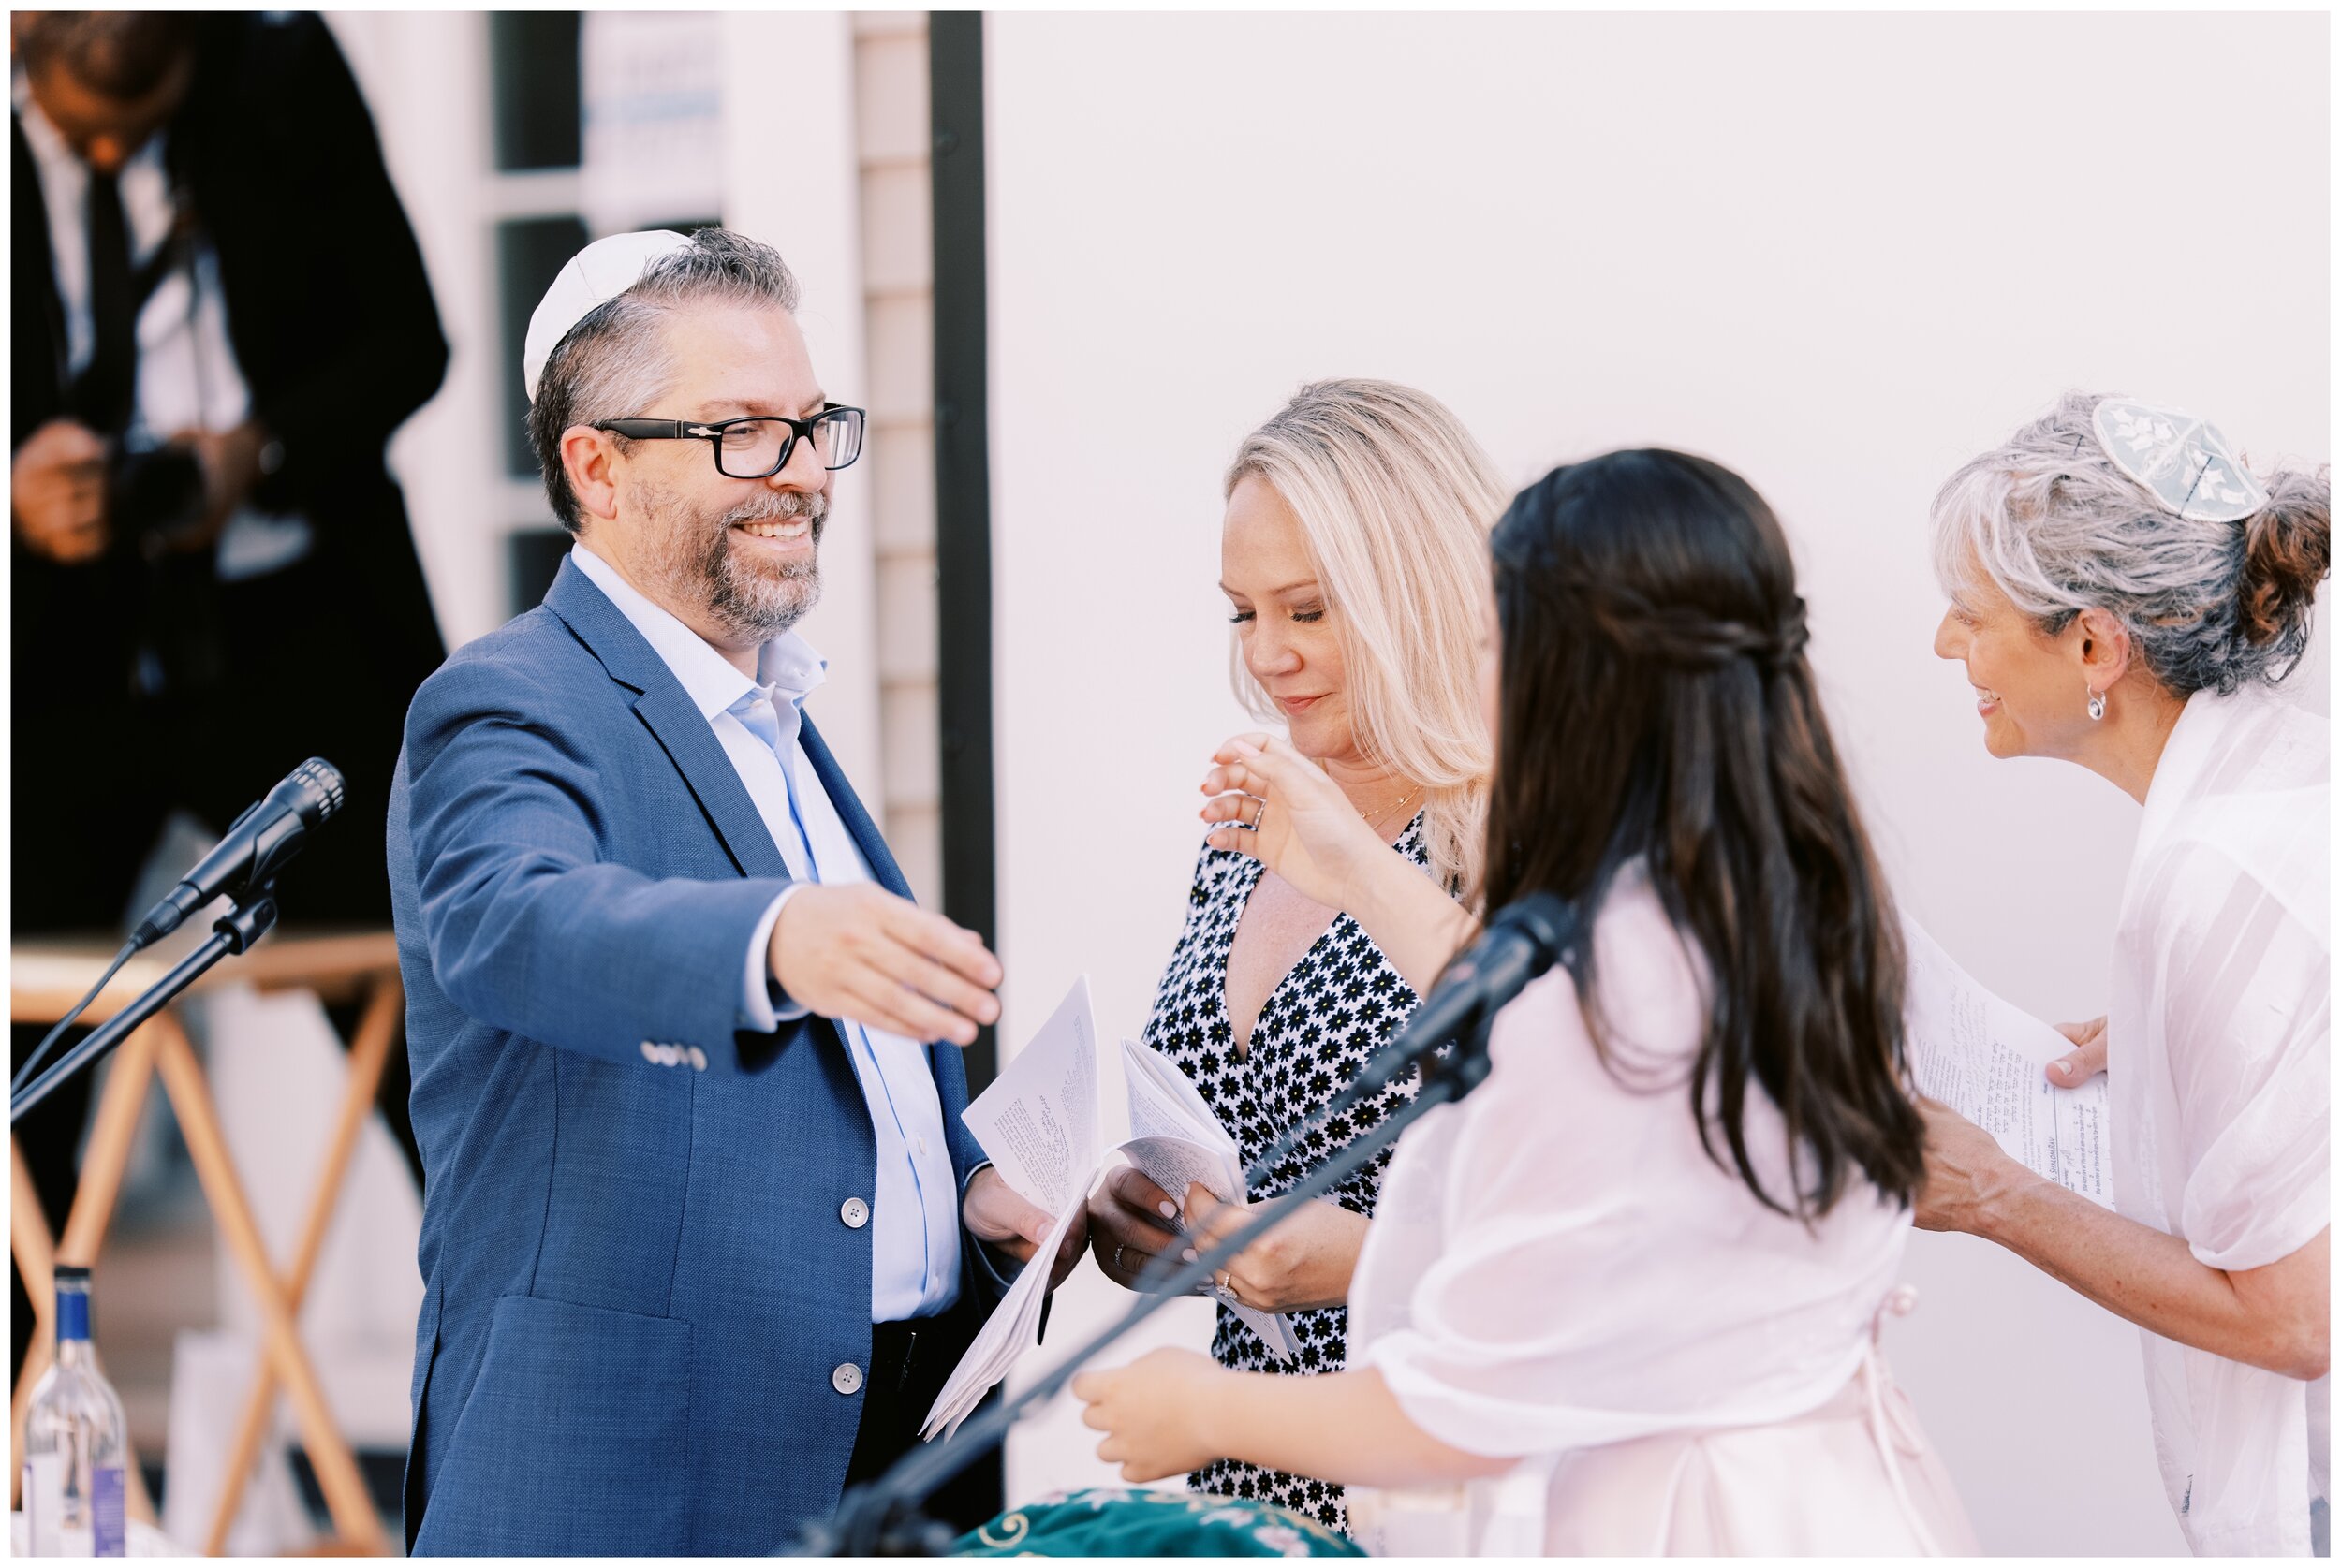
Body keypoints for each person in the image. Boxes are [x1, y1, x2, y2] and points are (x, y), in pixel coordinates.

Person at [1075, 448, 1978, 1555]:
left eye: (1493, 642)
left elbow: (1465, 1408)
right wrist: (1355, 867)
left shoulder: (1610, 979)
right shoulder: (1791, 901)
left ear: (1567, 678)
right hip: (1832, 1499)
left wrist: (1201, 1408)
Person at [390, 228, 1081, 1555]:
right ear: (595, 463)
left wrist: (969, 1184)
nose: (809, 472)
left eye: (815, 425)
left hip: (873, 1471)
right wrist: (772, 939)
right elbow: (510, 920)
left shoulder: (773, 708)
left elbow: (824, 1107)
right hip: (630, 1486)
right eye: (746, 434)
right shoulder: (507, 697)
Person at [9, 8, 446, 1371]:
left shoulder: (284, 72)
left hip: (300, 636)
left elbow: (409, 341)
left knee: (445, 1046)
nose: (108, 142)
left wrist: (252, 456)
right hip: (58, 667)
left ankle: (521, 1396)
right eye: (83, 117)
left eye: (146, 113)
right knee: (29, 1081)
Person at [1082, 380, 1505, 1532]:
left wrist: (1364, 1259)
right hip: (1252, 1483)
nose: (1267, 655)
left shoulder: (1517, 830)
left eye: (1308, 610)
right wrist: (1155, 1225)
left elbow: (1620, 1202)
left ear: (1417, 594)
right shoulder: (1249, 817)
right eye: (1241, 613)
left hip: (1448, 1478)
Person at [1919, 393, 2330, 1556]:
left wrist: (1991, 1193)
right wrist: (2186, 1046)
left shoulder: (2217, 880)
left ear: (2094, 645)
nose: (1945, 647)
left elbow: (2296, 1318)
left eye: (1966, 615)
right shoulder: (2292, 776)